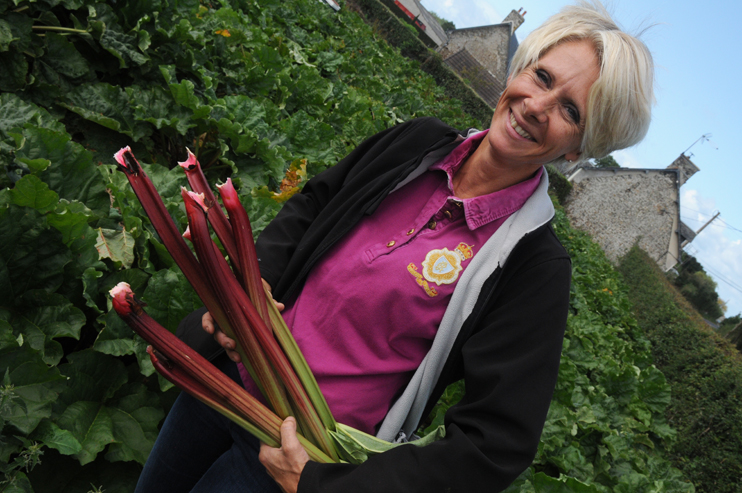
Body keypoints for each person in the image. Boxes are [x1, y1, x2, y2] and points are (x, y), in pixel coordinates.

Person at [135, 2, 654, 492]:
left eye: (569, 110)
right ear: (520, 70)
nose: (536, 106)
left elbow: (496, 443)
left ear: (578, 150)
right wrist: (249, 291)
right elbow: (313, 205)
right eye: (541, 77)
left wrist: (327, 486)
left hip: (291, 456)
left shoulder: (534, 266)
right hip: (222, 383)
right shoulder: (417, 143)